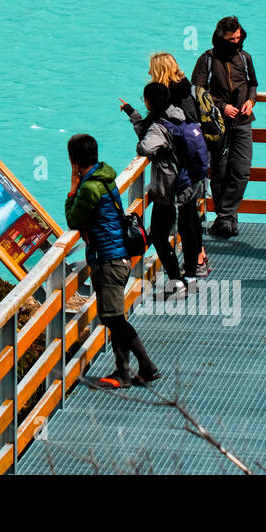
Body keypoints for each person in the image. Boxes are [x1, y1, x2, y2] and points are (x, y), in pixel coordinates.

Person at [65, 133, 162, 388]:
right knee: (113, 316)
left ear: (74, 161)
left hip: (108, 259)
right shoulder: (105, 177)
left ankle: (145, 366)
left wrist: (72, 190)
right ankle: (124, 371)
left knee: (113, 318)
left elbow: (73, 219)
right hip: (118, 256)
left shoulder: (89, 187)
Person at [120, 83, 207, 301]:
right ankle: (190, 279)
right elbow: (151, 131)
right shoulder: (180, 114)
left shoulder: (158, 126)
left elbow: (146, 147)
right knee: (188, 231)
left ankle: (176, 282)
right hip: (189, 182)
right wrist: (133, 115)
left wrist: (141, 141)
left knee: (158, 235)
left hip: (169, 189)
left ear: (150, 102)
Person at [146, 51, 211, 277]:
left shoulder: (170, 99)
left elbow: (150, 139)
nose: (148, 73)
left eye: (151, 69)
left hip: (181, 168)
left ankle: (191, 272)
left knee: (184, 222)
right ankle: (198, 261)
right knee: (190, 217)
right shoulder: (187, 89)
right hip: (196, 161)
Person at [191, 16, 258, 238]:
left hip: (242, 122)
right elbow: (198, 91)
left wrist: (251, 102)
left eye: (239, 37)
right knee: (219, 173)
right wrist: (222, 106)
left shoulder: (245, 58)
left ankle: (225, 216)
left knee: (242, 171)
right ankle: (228, 219)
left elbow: (253, 85)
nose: (237, 42)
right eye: (232, 39)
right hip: (216, 125)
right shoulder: (206, 60)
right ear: (221, 37)